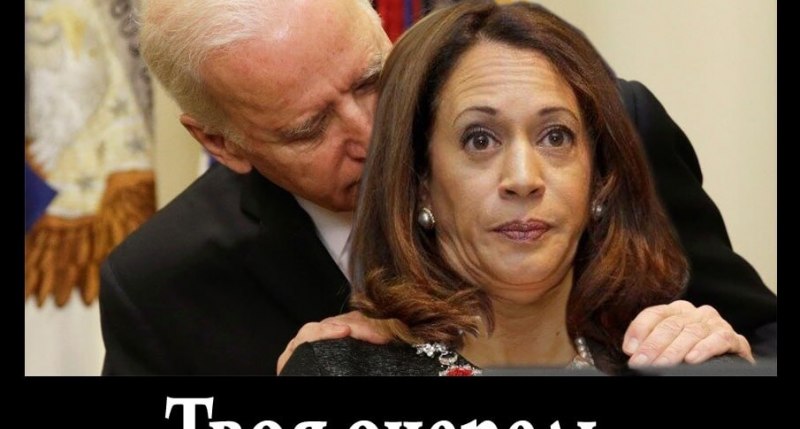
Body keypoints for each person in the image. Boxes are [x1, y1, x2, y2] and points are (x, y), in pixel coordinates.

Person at [99, 0, 774, 376]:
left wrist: (721, 350)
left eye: (371, 79)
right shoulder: (162, 283)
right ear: (220, 144)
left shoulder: (610, 134)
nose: (371, 132)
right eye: (309, 128)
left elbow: (764, 333)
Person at [279, 0, 750, 375]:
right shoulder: (338, 370)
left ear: (598, 183)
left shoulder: (679, 360)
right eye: (480, 140)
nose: (523, 179)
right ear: (420, 184)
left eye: (555, 137)